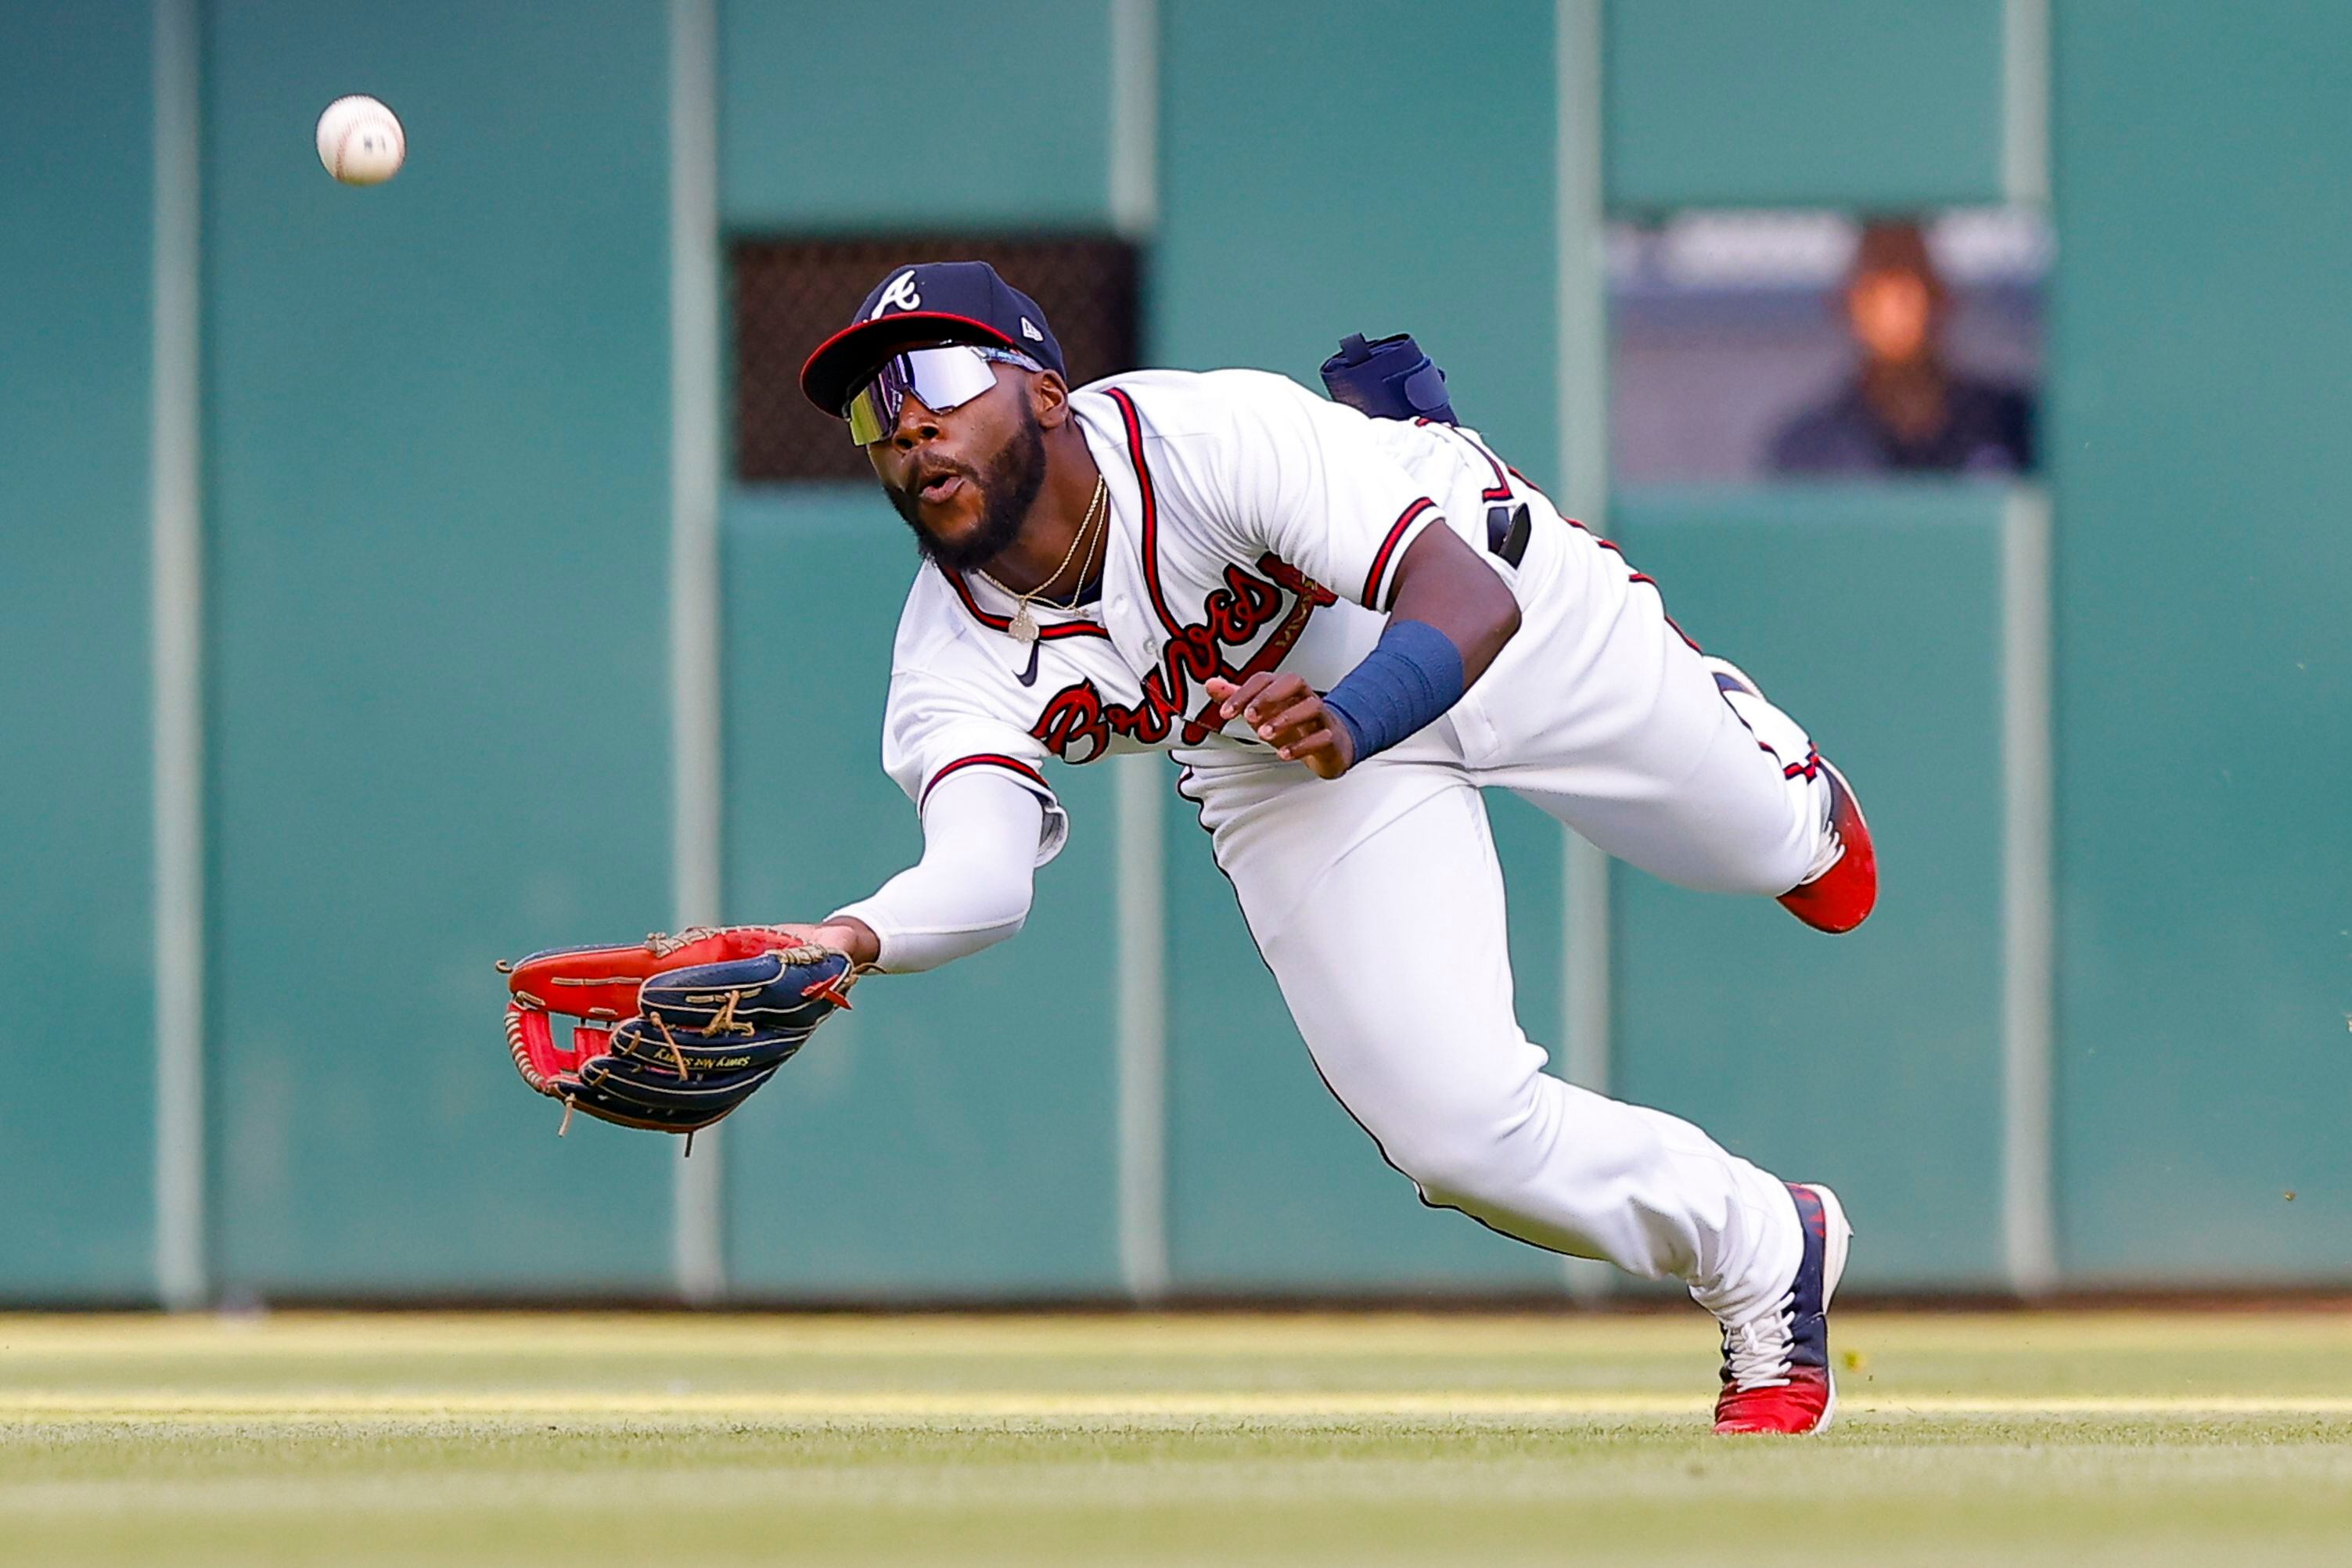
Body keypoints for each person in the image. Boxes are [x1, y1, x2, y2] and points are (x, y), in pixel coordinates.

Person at [784, 261, 1875, 1434]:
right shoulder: (946, 658)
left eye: (938, 377)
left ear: (1047, 393)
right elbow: (983, 877)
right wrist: (850, 939)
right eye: (870, 407)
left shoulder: (1206, 439)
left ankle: (1771, 772)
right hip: (1279, 746)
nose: (905, 423)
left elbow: (1467, 604)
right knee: (1456, 1132)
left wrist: (1355, 717)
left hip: (1486, 597)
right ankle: (1765, 1246)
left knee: (1787, 858)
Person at [1768, 219, 2035, 476]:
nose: (1892, 306)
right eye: (1874, 288)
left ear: (1941, 297)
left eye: (1907, 283)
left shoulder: (2013, 424)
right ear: (1845, 304)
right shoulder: (1809, 449)